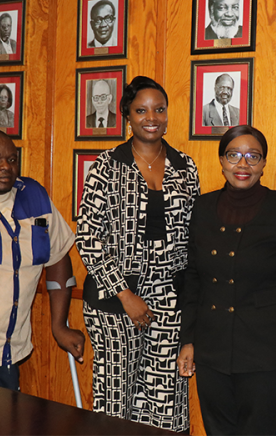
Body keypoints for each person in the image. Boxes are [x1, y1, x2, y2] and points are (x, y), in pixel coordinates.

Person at [76, 75, 200, 432]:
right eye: (141, 110)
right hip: (114, 299)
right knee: (116, 399)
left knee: (165, 400)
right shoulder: (106, 165)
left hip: (169, 298)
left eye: (159, 109)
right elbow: (87, 235)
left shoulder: (185, 166)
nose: (152, 117)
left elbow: (193, 235)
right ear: (126, 115)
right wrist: (125, 294)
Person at [177, 125, 276, 436]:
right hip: (211, 351)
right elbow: (193, 279)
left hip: (264, 355)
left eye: (253, 156)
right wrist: (188, 340)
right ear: (221, 161)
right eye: (233, 155)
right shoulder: (203, 207)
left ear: (263, 163)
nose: (243, 164)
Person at [0, 129, 85, 389]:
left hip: (9, 354)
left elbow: (57, 257)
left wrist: (59, 326)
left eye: (11, 159)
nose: (5, 167)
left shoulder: (34, 195)